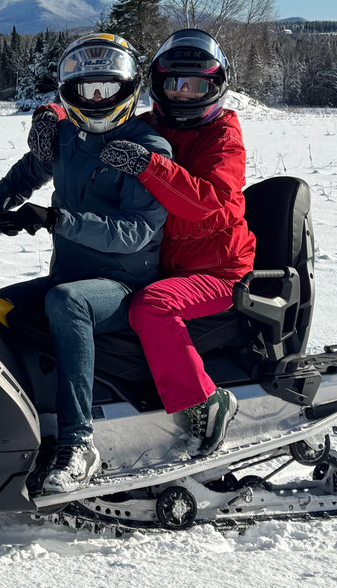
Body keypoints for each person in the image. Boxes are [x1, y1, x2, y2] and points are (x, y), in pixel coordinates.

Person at [0, 33, 171, 493]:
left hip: (123, 284)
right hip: (69, 274)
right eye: (86, 90)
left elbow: (134, 234)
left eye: (105, 89)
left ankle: (78, 442)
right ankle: (6, 427)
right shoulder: (69, 135)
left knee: (68, 302)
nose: (95, 99)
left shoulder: (146, 147)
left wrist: (56, 219)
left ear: (127, 89)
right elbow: (27, 173)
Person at [99, 28, 254, 457]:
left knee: (154, 306)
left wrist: (149, 166)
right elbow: (96, 118)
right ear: (158, 85)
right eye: (175, 85)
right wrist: (53, 118)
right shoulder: (147, 126)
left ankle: (206, 401)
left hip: (219, 271)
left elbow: (208, 202)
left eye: (196, 86)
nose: (184, 96)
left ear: (216, 87)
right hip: (160, 263)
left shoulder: (223, 137)